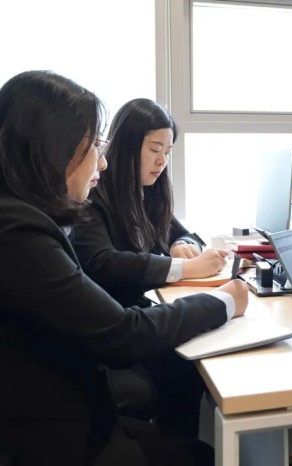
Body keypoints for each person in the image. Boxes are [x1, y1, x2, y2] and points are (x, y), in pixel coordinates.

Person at [0, 70, 249, 466]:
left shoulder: (26, 218)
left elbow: (179, 231)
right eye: (93, 147)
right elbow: (121, 332)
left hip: (75, 407)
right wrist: (223, 301)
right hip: (52, 433)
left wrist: (183, 246)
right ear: (53, 149)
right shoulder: (18, 232)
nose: (102, 161)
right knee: (202, 452)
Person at [71, 98, 227, 309]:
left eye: (167, 152)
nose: (162, 161)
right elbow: (104, 262)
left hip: (139, 309)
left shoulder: (147, 193)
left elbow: (184, 234)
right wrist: (185, 267)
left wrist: (183, 245)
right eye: (155, 149)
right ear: (127, 146)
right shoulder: (92, 193)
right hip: (112, 314)